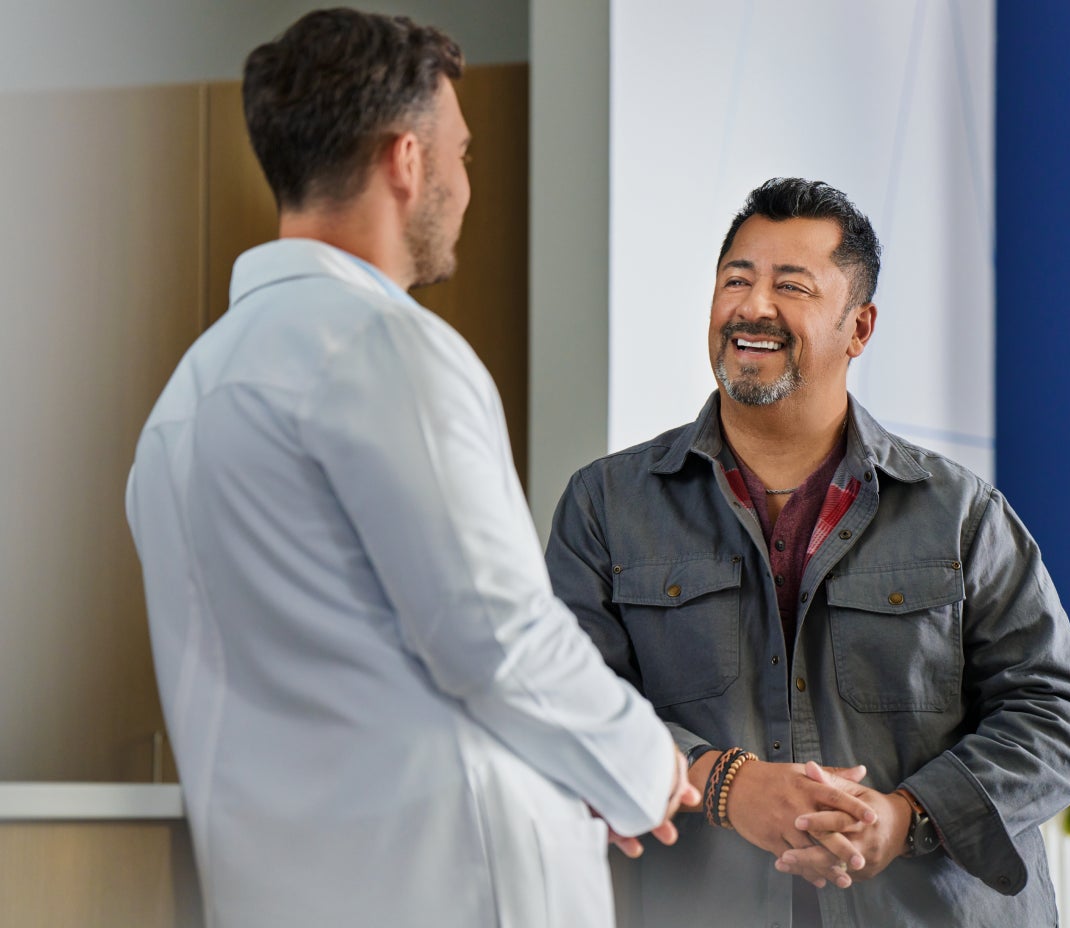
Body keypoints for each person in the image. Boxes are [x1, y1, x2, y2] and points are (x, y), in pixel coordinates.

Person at [125, 9, 696, 927]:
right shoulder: (381, 350)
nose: (467, 185)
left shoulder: (181, 408)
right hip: (452, 892)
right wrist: (648, 766)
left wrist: (584, 770)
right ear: (406, 160)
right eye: (460, 155)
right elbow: (496, 638)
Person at [544, 177, 1070, 927]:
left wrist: (905, 817)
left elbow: (1060, 714)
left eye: (792, 286)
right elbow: (564, 702)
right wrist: (724, 783)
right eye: (736, 280)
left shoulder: (958, 512)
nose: (752, 308)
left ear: (860, 327)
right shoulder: (607, 507)